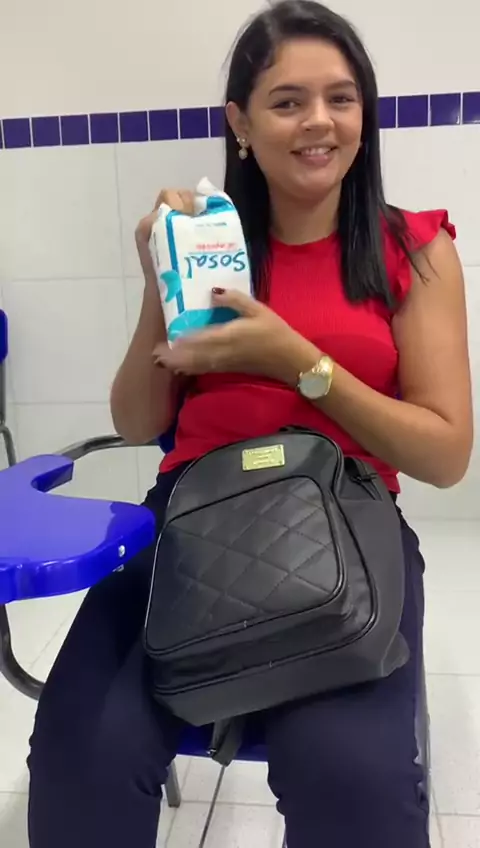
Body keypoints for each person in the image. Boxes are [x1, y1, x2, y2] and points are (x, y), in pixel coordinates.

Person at [27, 2, 472, 847]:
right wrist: (160, 281)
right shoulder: (205, 250)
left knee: (352, 777)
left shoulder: (411, 251)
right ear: (240, 122)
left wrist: (299, 361)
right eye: (287, 101)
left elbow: (447, 454)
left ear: (365, 113)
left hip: (345, 527)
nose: (319, 122)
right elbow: (137, 420)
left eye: (341, 98)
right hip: (189, 524)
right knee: (80, 752)